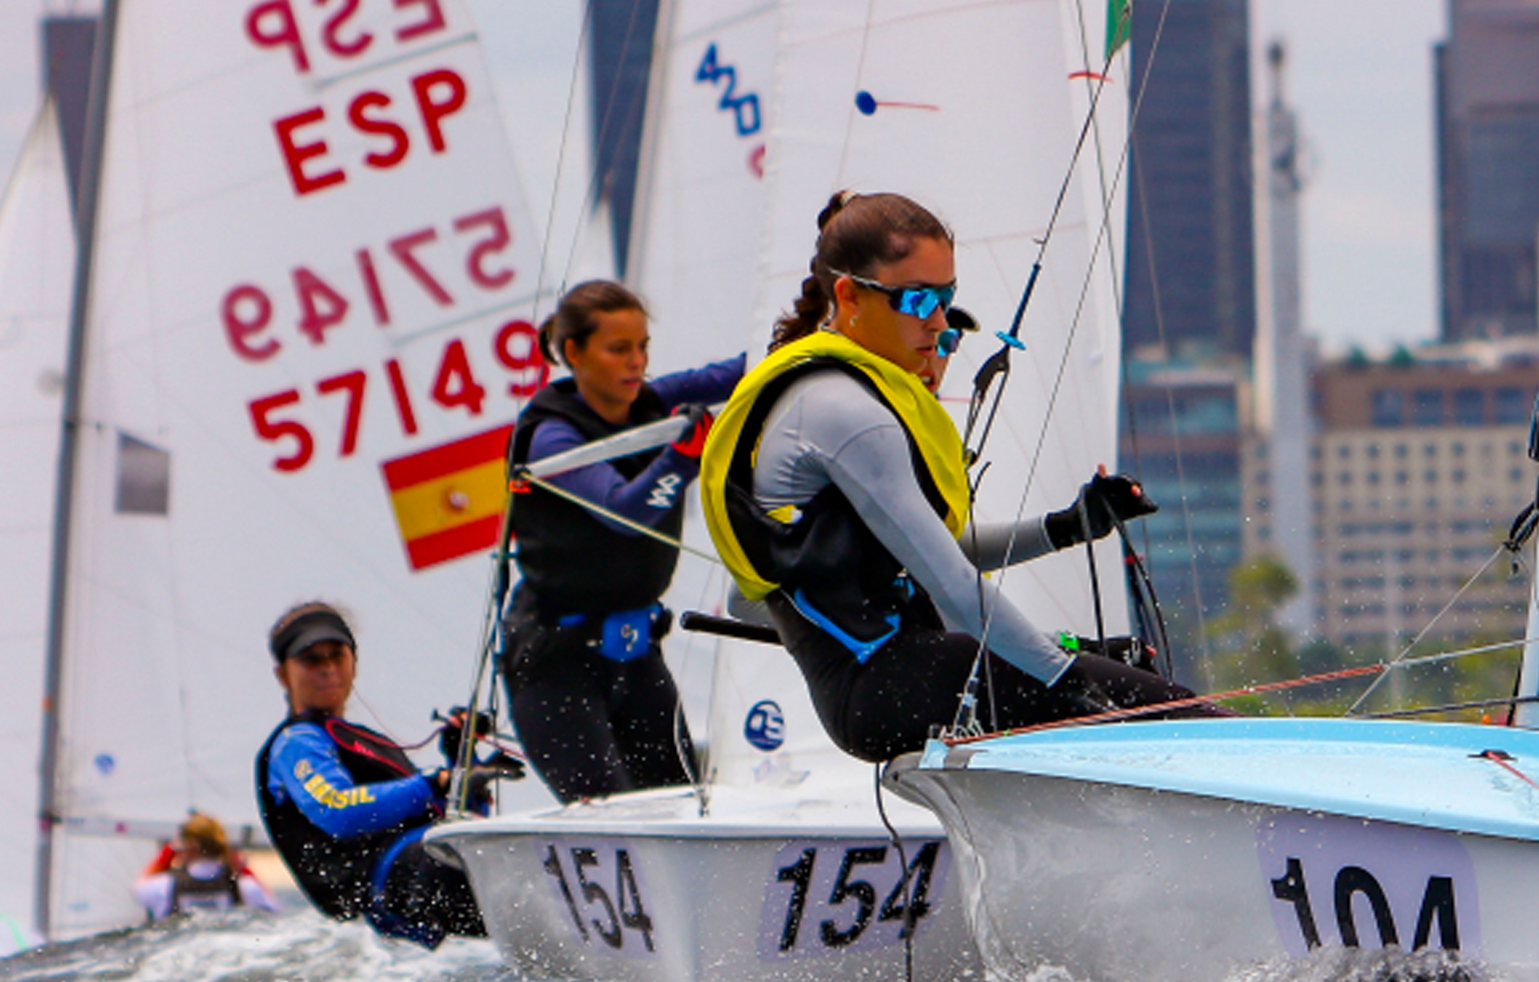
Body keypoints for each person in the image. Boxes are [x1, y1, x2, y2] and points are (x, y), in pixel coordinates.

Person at [700, 190, 1214, 763]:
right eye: (917, 300)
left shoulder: (838, 392)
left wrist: (1065, 528)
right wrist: (1064, 682)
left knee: (1124, 671)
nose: (938, 323)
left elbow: (919, 556)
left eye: (946, 298)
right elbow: (950, 582)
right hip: (885, 684)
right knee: (1180, 721)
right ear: (849, 296)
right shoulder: (842, 410)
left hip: (898, 674)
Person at [503, 281, 745, 800]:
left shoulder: (654, 399)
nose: (636, 362)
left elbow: (745, 370)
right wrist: (683, 457)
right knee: (614, 819)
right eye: (618, 350)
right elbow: (623, 513)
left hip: (635, 656)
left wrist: (820, 306)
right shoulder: (552, 435)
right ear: (574, 353)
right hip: (556, 669)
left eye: (643, 347)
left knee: (682, 806)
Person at [253, 602, 502, 948]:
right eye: (312, 659)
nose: (327, 669)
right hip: (384, 894)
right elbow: (338, 810)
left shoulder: (369, 742)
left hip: (420, 873)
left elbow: (448, 817)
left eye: (336, 656)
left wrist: (463, 762)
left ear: (353, 661)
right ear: (283, 674)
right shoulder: (296, 742)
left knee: (489, 864)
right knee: (478, 874)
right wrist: (435, 782)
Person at [134, 812, 282, 921]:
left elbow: (138, 889)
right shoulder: (245, 887)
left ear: (186, 847)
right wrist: (240, 866)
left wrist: (167, 853)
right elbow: (273, 908)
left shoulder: (163, 886)